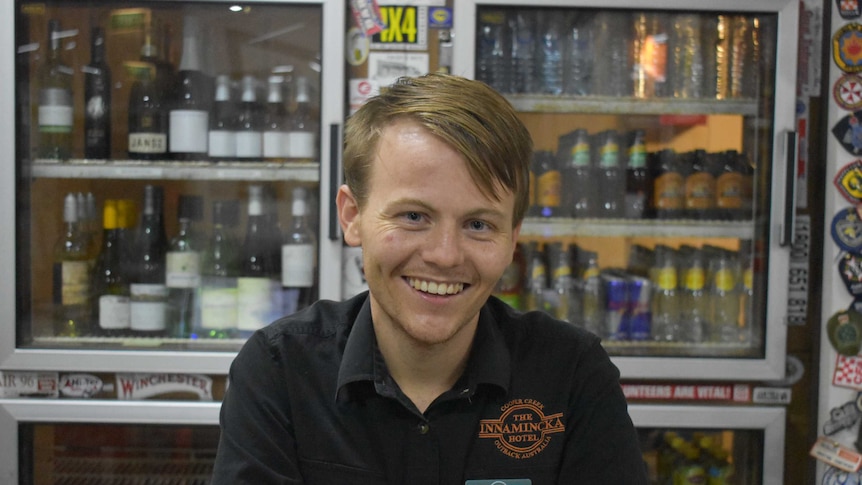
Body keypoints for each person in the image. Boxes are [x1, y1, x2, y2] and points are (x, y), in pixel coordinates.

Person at [212, 73, 648, 484]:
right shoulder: (278, 372)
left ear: (512, 238)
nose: (444, 256)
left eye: (478, 224)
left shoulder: (572, 374)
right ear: (352, 217)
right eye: (414, 216)